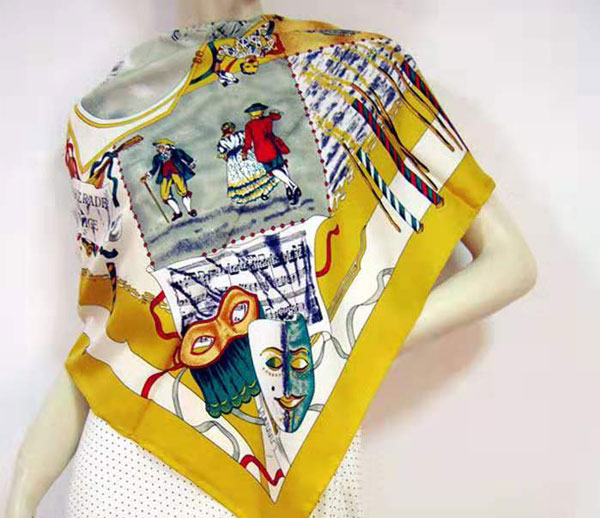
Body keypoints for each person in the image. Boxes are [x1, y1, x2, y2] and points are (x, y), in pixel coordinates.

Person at [6, 4, 537, 518]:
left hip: (302, 425)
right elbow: (109, 339)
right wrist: (23, 490)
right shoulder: (105, 117)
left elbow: (511, 264)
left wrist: (346, 346)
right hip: (129, 469)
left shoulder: (357, 69)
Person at [241, 102, 302, 205]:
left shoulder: (249, 125)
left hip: (261, 151)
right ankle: (289, 188)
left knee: (273, 170)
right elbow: (277, 116)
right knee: (281, 166)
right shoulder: (267, 119)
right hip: (273, 146)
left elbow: (248, 142)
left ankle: (293, 186)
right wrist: (273, 113)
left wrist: (245, 151)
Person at [217, 121, 278, 204]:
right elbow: (222, 154)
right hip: (235, 160)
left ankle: (263, 192)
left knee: (253, 172)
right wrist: (228, 159)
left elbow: (249, 141)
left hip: (244, 154)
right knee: (243, 177)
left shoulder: (237, 135)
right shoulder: (223, 141)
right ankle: (254, 194)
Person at [145, 138, 198, 221]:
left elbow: (186, 157)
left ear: (166, 146)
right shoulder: (157, 158)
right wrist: (148, 175)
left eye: (160, 147)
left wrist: (191, 163)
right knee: (165, 195)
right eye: (158, 147)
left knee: (183, 191)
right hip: (165, 176)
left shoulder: (177, 152)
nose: (158, 149)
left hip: (177, 173)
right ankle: (177, 213)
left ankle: (189, 210)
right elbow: (154, 168)